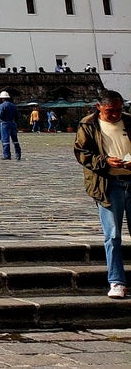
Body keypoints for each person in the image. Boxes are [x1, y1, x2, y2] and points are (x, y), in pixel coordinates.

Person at [73, 90, 131, 299]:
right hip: (108, 184)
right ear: (99, 107)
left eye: (119, 110)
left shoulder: (128, 122)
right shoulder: (88, 125)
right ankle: (116, 281)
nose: (116, 114)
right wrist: (105, 162)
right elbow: (82, 153)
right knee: (113, 235)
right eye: (110, 111)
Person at [0, 91, 21, 161]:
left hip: (4, 123)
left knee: (5, 140)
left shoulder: (2, 106)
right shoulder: (13, 105)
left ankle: (7, 155)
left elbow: (0, 115)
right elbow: (17, 116)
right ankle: (18, 154)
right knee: (15, 139)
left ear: (2, 99)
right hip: (12, 123)